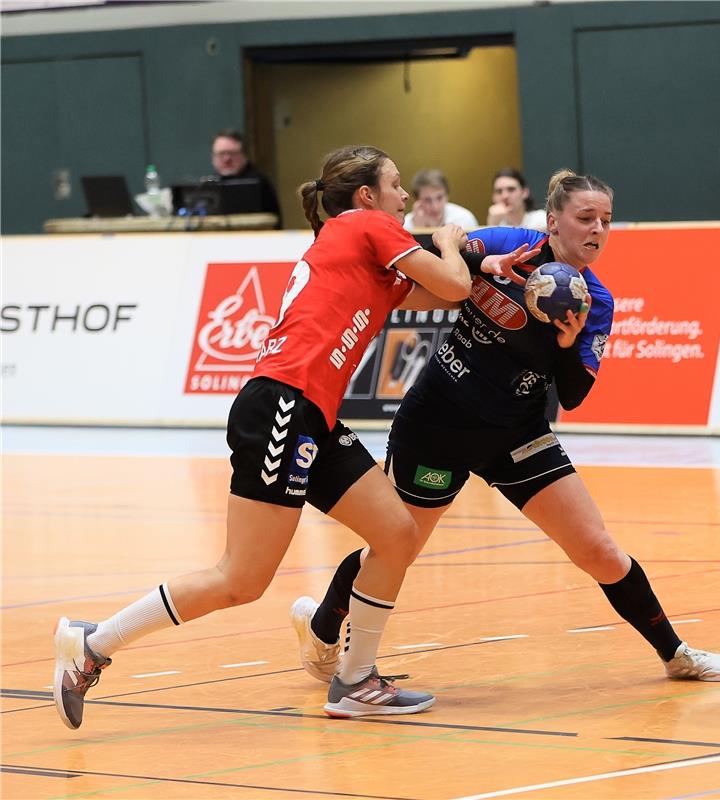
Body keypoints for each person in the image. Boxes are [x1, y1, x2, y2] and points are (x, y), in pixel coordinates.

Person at [49, 145, 531, 729]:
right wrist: (455, 244)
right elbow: (449, 284)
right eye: (396, 186)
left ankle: (355, 679)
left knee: (397, 533)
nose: (404, 198)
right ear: (366, 196)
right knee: (241, 579)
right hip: (284, 405)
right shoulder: (365, 225)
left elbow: (439, 293)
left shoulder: (364, 253)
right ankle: (93, 643)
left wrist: (487, 270)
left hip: (312, 416)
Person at [291, 168, 720, 689]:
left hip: (516, 434)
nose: (597, 230)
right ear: (553, 222)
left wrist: (569, 343)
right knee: (396, 548)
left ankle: (676, 654)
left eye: (606, 221)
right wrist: (476, 258)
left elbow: (572, 395)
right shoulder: (509, 245)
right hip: (437, 426)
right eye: (585, 218)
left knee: (597, 549)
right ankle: (322, 628)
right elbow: (435, 254)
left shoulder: (595, 300)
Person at [210, 129, 283, 226]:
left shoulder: (258, 182)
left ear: (244, 155)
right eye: (221, 154)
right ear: (213, 158)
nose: (227, 159)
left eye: (232, 153)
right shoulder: (210, 183)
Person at [403, 168, 480, 232]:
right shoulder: (406, 224)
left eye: (439, 198)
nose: (435, 207)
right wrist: (418, 230)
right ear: (418, 201)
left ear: (447, 196)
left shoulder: (463, 219)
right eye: (427, 200)